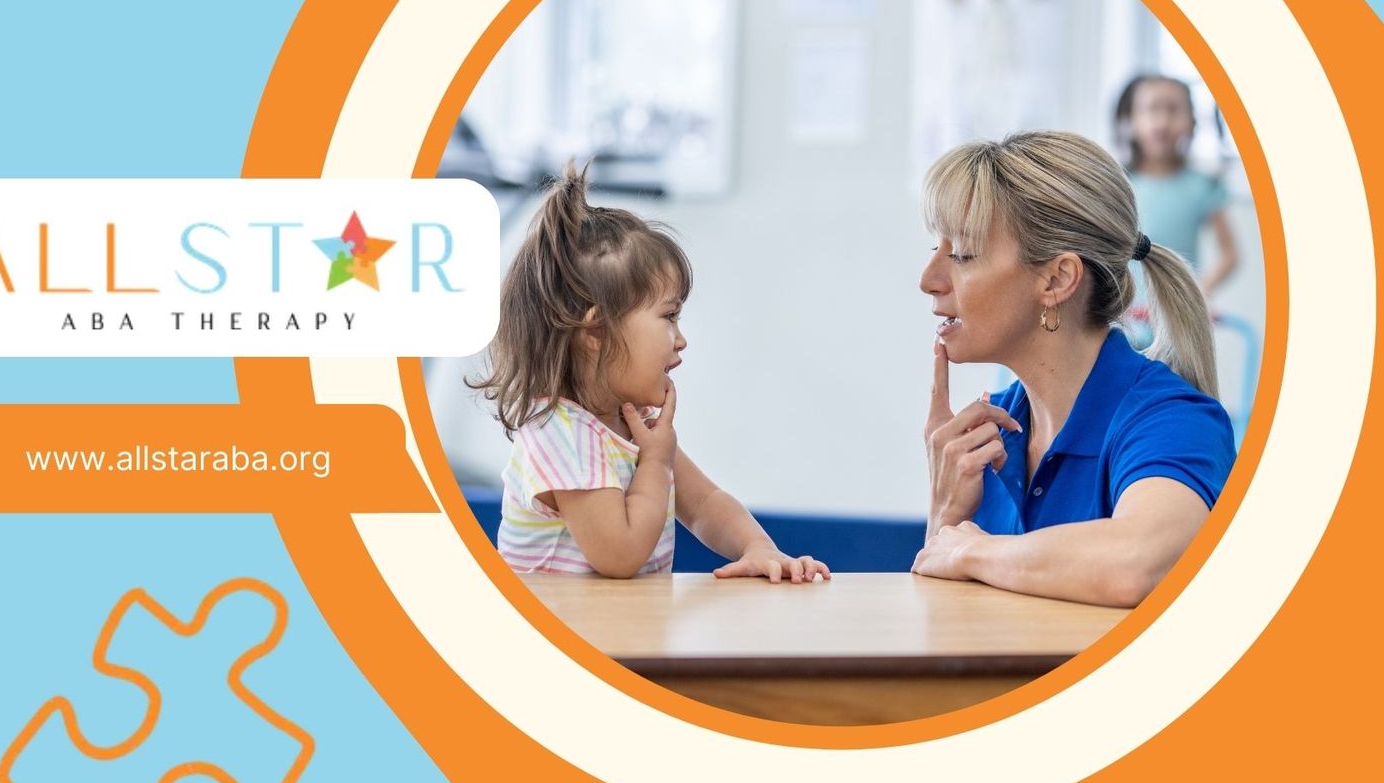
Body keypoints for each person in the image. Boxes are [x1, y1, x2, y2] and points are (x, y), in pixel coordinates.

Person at [911, 132, 1234, 607]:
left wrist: (971, 551)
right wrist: (943, 514)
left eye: (961, 254)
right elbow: (947, 629)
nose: (929, 281)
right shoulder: (985, 432)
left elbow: (1135, 564)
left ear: (1058, 279)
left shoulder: (1170, 418)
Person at [471, 163, 830, 583]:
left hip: (621, 632)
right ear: (597, 332)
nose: (681, 340)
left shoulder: (631, 425)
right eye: (669, 317)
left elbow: (706, 502)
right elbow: (620, 555)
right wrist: (656, 464)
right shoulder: (561, 433)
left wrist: (759, 548)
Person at [1113, 73, 1239, 297]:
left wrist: (1199, 294)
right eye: (1152, 109)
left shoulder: (1203, 186)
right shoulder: (1117, 182)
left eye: (1173, 109)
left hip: (1179, 320)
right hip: (1125, 318)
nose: (1162, 121)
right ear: (1131, 119)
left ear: (1192, 121)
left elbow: (1229, 253)